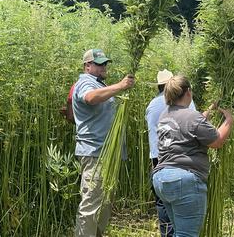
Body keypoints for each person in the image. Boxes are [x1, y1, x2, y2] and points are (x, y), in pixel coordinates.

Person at [152, 75, 234, 236]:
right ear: (188, 92)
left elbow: (189, 125)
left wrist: (210, 110)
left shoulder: (165, 115)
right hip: (185, 180)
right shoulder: (192, 116)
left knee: (177, 232)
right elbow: (216, 141)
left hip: (161, 178)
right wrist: (229, 119)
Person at [72, 49, 135, 237]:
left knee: (105, 203)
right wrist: (120, 86)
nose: (104, 67)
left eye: (105, 63)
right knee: (91, 204)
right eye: (99, 64)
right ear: (87, 66)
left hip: (107, 154)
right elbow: (90, 98)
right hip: (95, 152)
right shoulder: (85, 82)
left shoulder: (100, 83)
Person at [145, 69, 196, 237]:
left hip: (156, 157)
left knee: (163, 200)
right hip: (179, 156)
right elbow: (194, 124)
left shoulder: (152, 105)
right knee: (183, 198)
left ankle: (167, 233)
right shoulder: (185, 103)